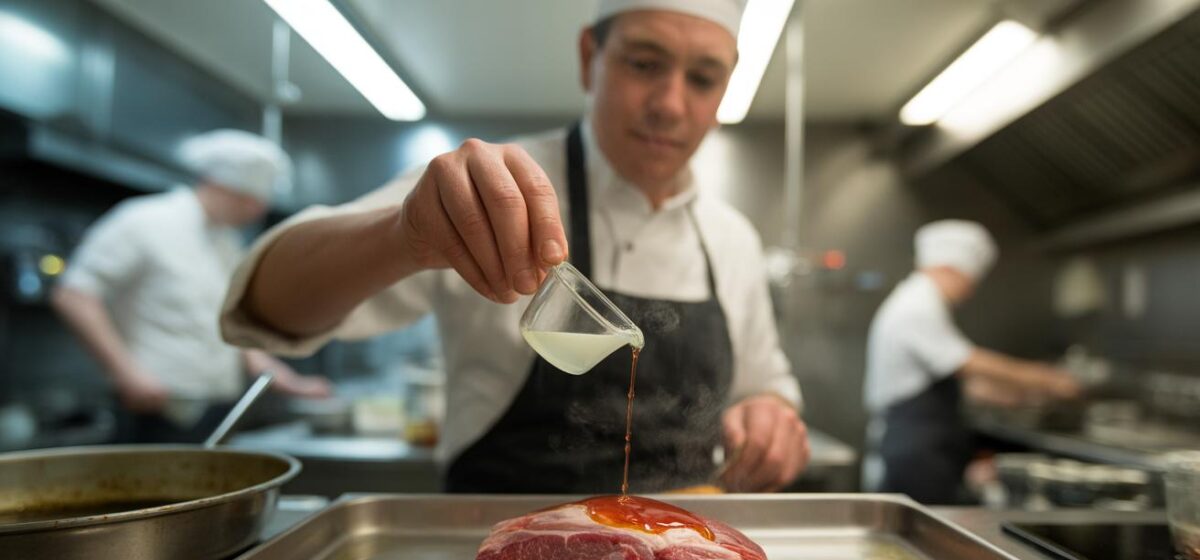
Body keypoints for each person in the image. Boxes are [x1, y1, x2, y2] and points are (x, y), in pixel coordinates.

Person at [220, 0, 810, 493]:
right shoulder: (490, 187)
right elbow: (264, 307)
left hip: (682, 554)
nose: (670, 104)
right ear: (589, 58)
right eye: (644, 63)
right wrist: (403, 236)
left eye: (702, 79)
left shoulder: (731, 238)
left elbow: (765, 386)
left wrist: (771, 418)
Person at [52, 129, 331, 443]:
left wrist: (282, 378)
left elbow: (228, 325)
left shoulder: (226, 242)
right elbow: (74, 295)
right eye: (248, 200)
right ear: (218, 186)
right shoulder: (144, 221)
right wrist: (126, 373)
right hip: (154, 407)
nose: (256, 211)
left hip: (217, 406)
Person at [863, 220, 1080, 504]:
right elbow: (967, 362)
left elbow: (951, 381)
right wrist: (1046, 378)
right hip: (913, 449)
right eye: (969, 280)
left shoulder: (923, 301)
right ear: (949, 268)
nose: (970, 290)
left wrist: (1018, 397)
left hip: (921, 443)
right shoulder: (916, 305)